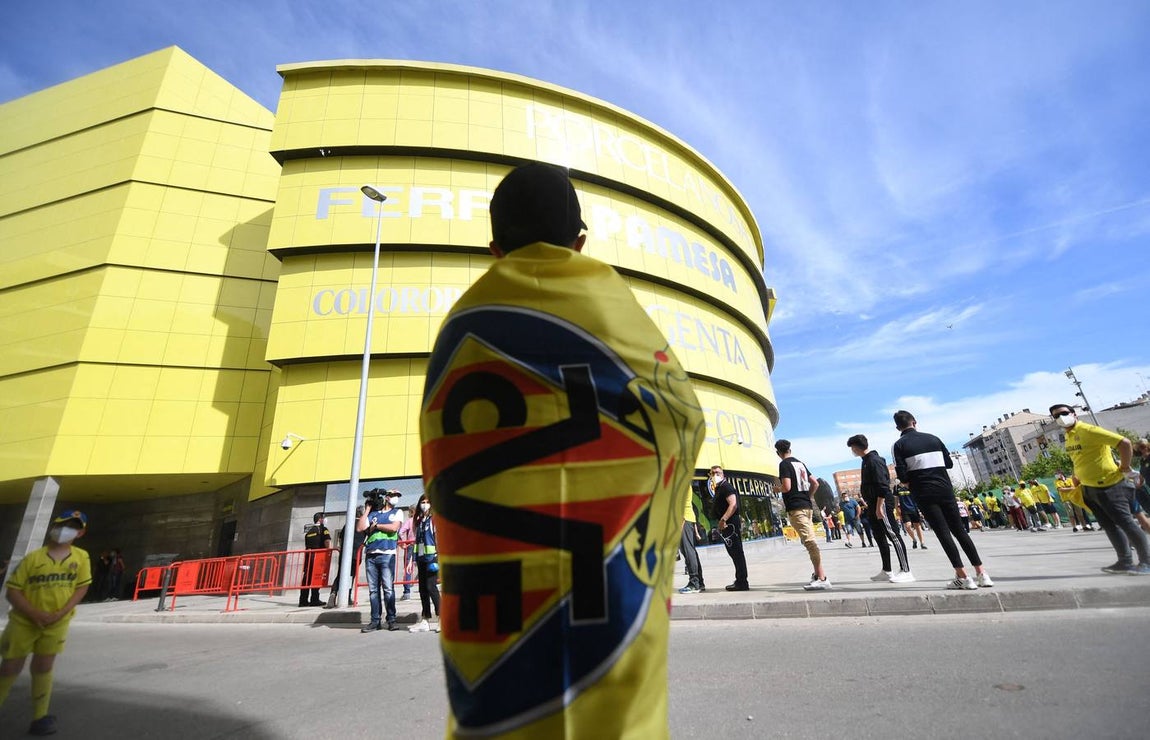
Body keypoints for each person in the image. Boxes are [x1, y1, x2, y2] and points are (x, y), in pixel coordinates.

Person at [417, 162, 704, 737]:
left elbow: (442, 453)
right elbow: (682, 419)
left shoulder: (461, 325)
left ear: (494, 247)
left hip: (495, 616)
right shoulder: (612, 306)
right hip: (607, 601)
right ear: (579, 240)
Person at [0, 510, 92, 736]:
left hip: (56, 623)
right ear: (53, 527)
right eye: (62, 524)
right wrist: (34, 614)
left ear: (80, 532)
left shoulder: (81, 558)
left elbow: (82, 586)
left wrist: (62, 612)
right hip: (23, 621)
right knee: (10, 667)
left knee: (43, 666)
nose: (65, 530)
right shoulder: (33, 558)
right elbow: (12, 592)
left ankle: (40, 716)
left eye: (73, 526)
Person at [891, 411, 993, 590]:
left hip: (923, 492)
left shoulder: (899, 445)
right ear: (915, 422)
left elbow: (902, 475)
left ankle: (963, 576)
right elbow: (949, 463)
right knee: (960, 531)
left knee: (943, 533)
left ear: (898, 427)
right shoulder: (934, 439)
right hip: (945, 489)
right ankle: (982, 573)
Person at [1049, 403, 1149, 574]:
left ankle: (1146, 562)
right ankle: (1124, 561)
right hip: (1090, 487)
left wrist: (1125, 467)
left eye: (1063, 413)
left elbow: (1123, 443)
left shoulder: (1088, 430)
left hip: (1111, 485)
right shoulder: (1069, 436)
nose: (1060, 418)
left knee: (1127, 523)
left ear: (1074, 414)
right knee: (1109, 526)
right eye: (1056, 416)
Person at [847, 435, 914, 583]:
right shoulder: (866, 461)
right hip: (873, 503)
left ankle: (906, 570)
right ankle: (887, 570)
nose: (852, 451)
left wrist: (879, 507)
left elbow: (882, 486)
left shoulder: (874, 461)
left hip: (881, 503)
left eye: (852, 448)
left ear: (856, 447)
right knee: (879, 537)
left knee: (893, 535)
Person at [775, 439, 831, 590]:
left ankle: (822, 577)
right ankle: (817, 574)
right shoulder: (800, 463)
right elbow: (815, 483)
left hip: (796, 507)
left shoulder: (784, 464)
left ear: (778, 452)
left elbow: (786, 487)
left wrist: (777, 489)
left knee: (810, 542)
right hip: (807, 506)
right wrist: (809, 496)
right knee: (809, 541)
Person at [357, 489, 403, 631]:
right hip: (371, 555)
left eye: (397, 496)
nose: (396, 498)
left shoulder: (397, 512)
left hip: (387, 555)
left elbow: (394, 528)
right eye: (394, 496)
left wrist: (376, 526)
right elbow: (360, 528)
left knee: (388, 589)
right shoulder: (373, 514)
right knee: (373, 591)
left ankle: (391, 620)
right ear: (387, 498)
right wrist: (367, 510)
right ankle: (375, 621)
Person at [711, 466, 750, 591]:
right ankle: (740, 580)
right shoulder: (719, 488)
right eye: (712, 473)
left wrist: (723, 519)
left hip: (730, 524)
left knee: (737, 553)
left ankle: (742, 582)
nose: (715, 475)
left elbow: (733, 504)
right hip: (727, 525)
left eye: (717, 472)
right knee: (733, 553)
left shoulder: (726, 487)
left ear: (723, 474)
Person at [408, 494, 442, 633]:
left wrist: (438, 558)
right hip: (421, 558)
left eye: (428, 502)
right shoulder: (420, 520)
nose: (425, 504)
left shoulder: (435, 520)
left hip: (432, 558)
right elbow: (417, 541)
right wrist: (411, 559)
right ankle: (425, 619)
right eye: (423, 502)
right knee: (422, 589)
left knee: (431, 587)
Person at [328, 505, 366, 607]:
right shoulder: (362, 525)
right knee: (350, 576)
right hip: (355, 555)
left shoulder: (347, 524)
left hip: (344, 554)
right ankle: (347, 596)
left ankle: (333, 593)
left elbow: (340, 538)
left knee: (340, 574)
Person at [299, 513, 331, 607]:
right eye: (324, 518)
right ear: (320, 519)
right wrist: (328, 551)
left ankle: (303, 601)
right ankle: (314, 599)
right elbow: (327, 541)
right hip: (318, 557)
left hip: (309, 557)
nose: (325, 520)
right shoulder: (323, 529)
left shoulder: (309, 531)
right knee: (316, 577)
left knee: (307, 579)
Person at [678, 485, 705, 594]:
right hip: (686, 519)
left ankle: (694, 583)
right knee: (690, 551)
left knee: (688, 551)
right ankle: (699, 582)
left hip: (684, 519)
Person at [896, 483, 927, 549]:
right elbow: (896, 499)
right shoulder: (897, 487)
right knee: (907, 526)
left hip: (914, 509)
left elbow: (917, 497)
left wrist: (920, 510)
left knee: (917, 526)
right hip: (904, 510)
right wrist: (897, 509)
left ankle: (922, 543)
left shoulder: (911, 484)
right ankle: (914, 539)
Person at [398, 505, 414, 601]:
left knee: (408, 568)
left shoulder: (409, 521)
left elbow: (400, 532)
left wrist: (404, 541)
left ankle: (407, 593)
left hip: (410, 545)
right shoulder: (422, 520)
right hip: (421, 545)